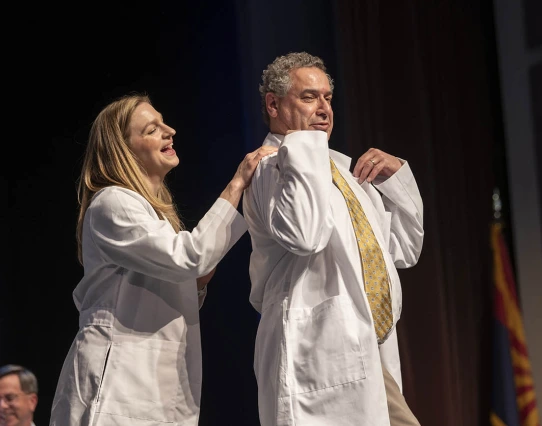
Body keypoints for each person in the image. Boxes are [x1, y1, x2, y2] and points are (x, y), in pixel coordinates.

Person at [48, 93, 277, 426]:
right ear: (124, 150)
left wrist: (196, 282)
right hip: (116, 382)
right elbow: (189, 258)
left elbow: (188, 271)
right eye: (152, 129)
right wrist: (238, 182)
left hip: (154, 382)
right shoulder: (112, 202)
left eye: (164, 123)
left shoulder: (148, 213)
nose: (170, 131)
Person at [243, 52, 424, 425]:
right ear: (273, 105)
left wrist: (397, 178)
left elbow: (404, 250)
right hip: (314, 352)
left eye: (328, 98)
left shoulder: (343, 166)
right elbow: (305, 235)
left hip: (368, 350)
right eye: (309, 97)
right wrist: (304, 144)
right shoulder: (267, 167)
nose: (324, 108)